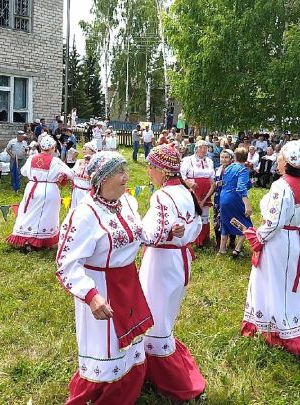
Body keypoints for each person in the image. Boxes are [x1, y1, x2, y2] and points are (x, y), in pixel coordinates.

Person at [56, 152, 155, 405]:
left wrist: (166, 232)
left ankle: (126, 389)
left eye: (125, 171)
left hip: (129, 282)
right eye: (120, 172)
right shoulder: (84, 214)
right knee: (105, 346)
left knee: (131, 342)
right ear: (102, 179)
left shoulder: (129, 203)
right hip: (101, 286)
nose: (127, 177)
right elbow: (65, 264)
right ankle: (101, 393)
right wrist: (91, 296)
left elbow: (140, 234)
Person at [241, 136, 300, 356]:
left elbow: (274, 222)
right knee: (294, 284)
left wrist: (258, 237)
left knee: (275, 283)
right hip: (297, 239)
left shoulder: (281, 185)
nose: (277, 161)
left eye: (280, 158)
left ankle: (279, 328)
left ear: (287, 161)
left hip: (278, 242)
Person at [138, 144, 206, 401]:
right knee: (164, 314)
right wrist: (181, 234)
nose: (148, 172)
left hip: (162, 263)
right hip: (179, 260)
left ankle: (170, 379)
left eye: (151, 167)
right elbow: (196, 224)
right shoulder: (185, 191)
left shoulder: (162, 197)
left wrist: (130, 227)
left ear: (162, 171)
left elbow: (153, 235)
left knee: (154, 316)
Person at [6, 136, 75, 250]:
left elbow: (23, 172)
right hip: (48, 189)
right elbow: (70, 174)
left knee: (29, 212)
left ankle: (26, 238)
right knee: (46, 215)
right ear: (53, 147)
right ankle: (38, 242)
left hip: (32, 187)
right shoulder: (55, 161)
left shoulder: (32, 158)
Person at [180, 140, 216, 247]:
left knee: (205, 214)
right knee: (193, 212)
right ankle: (192, 237)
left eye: (205, 148)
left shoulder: (209, 161)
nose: (204, 150)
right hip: (193, 190)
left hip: (206, 191)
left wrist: (212, 187)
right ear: (196, 148)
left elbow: (212, 176)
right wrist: (188, 183)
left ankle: (204, 237)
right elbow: (181, 175)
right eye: (201, 147)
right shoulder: (188, 160)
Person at [219, 147, 253, 257]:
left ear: (234, 157)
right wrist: (247, 205)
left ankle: (222, 250)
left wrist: (249, 183)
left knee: (225, 222)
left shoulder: (228, 168)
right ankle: (237, 249)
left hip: (223, 198)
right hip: (235, 199)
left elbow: (227, 182)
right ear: (246, 157)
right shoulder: (243, 170)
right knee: (247, 224)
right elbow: (240, 188)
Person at [68, 140, 98, 215]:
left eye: (86, 148)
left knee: (85, 211)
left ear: (93, 151)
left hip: (87, 191)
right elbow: (72, 172)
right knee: (75, 211)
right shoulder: (79, 161)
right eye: (83, 148)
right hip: (76, 191)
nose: (84, 149)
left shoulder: (95, 163)